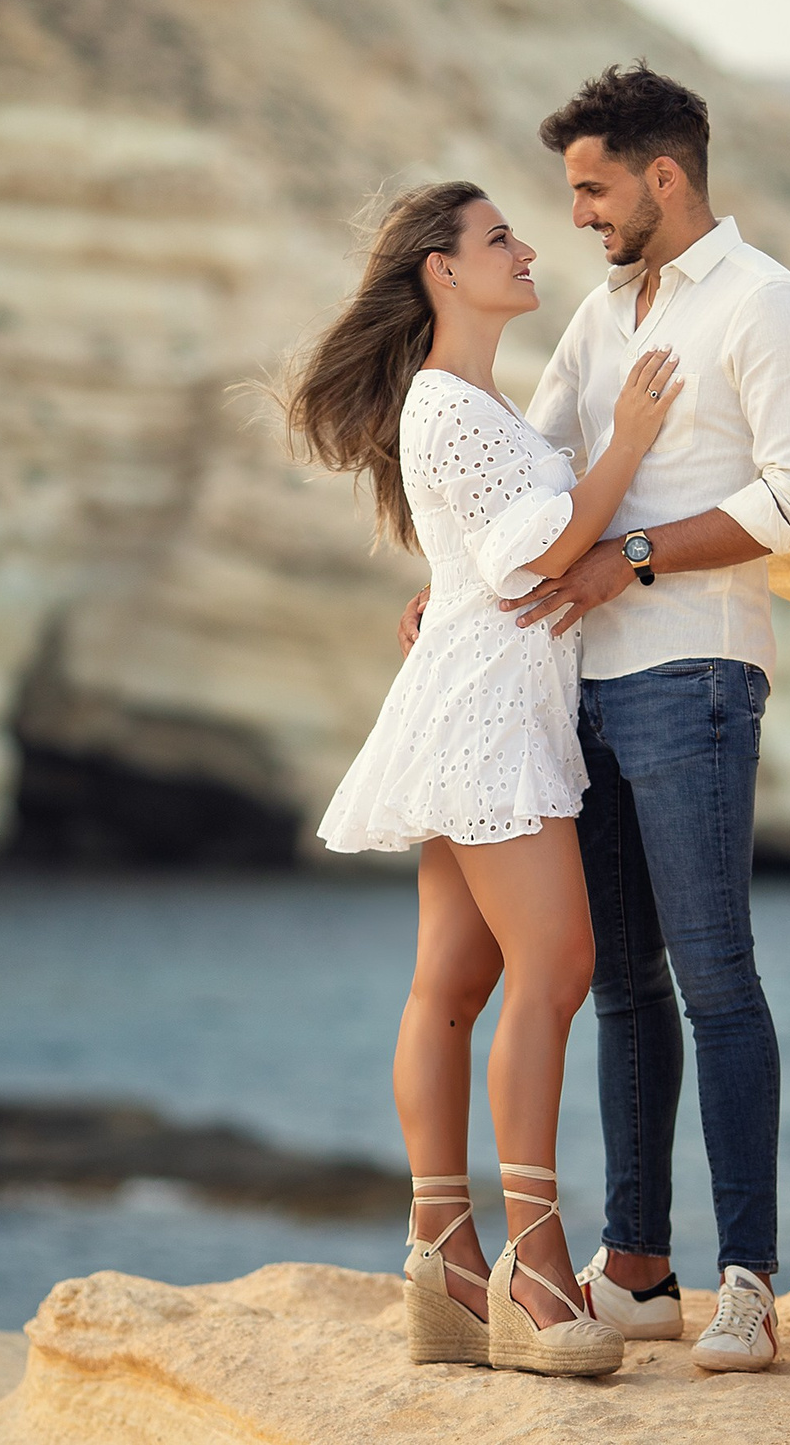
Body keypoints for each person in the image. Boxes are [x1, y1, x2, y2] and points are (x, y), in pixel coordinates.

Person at [398, 65, 790, 1373]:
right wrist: (444, 584)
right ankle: (636, 1268)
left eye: (593, 188)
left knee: (718, 982)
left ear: (665, 176)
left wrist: (632, 557)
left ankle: (748, 1281)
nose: (579, 214)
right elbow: (523, 473)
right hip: (572, 690)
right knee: (621, 988)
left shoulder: (768, 306)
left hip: (694, 676)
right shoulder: (604, 315)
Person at [284, 180, 679, 1377]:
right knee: (556, 965)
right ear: (441, 272)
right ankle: (536, 1260)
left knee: (453, 981)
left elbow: (482, 557)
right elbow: (541, 556)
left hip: (485, 690)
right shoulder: (449, 406)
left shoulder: (466, 401)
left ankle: (443, 1249)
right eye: (497, 236)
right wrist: (628, 449)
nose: (525, 248)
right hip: (490, 709)